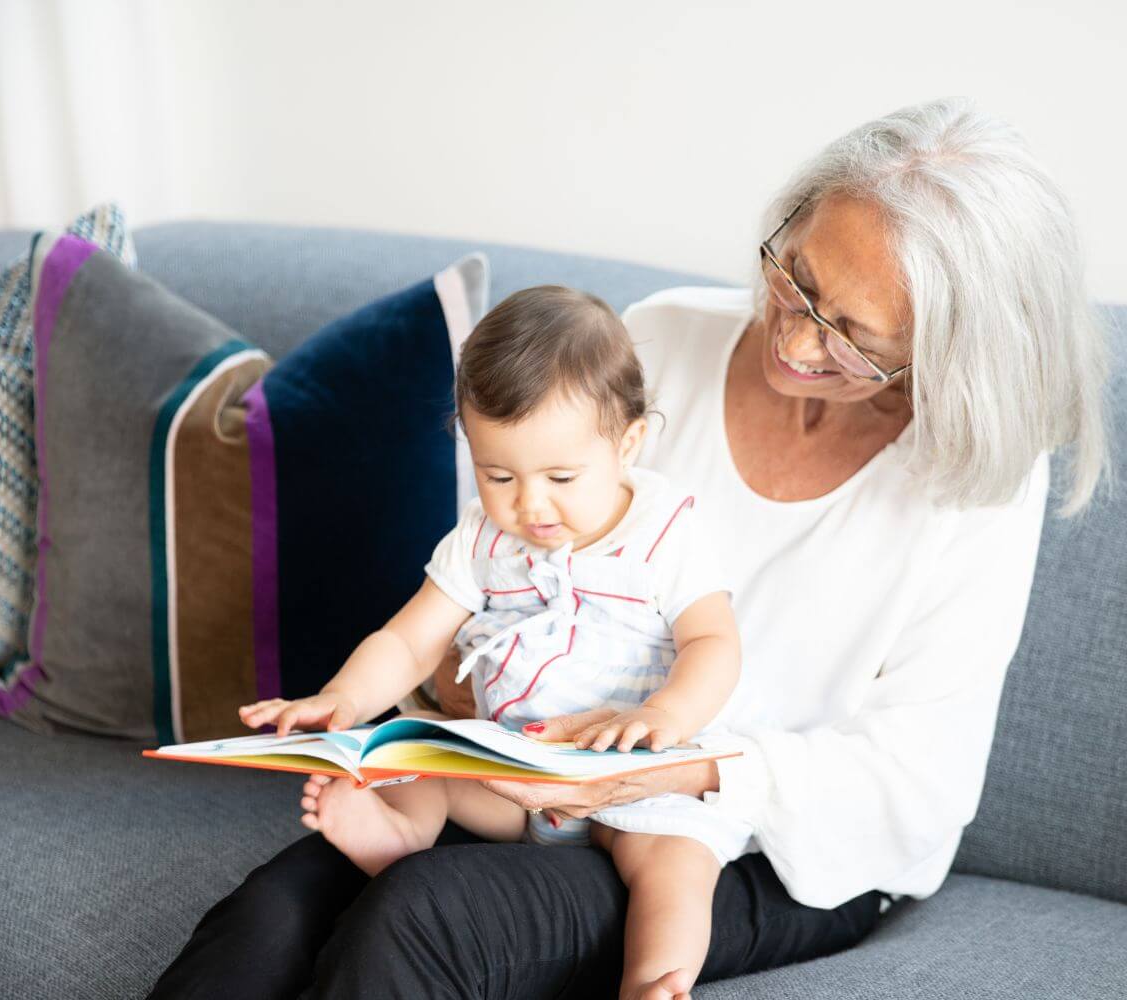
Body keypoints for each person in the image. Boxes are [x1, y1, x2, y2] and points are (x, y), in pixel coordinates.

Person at [151, 96, 1111, 999]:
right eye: (797, 278)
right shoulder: (659, 340)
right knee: (267, 923)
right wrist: (455, 684)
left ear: (947, 351)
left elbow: (916, 781)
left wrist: (673, 766)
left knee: (423, 918)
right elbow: (507, 551)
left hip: (756, 839)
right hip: (539, 770)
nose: (795, 339)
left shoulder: (977, 477)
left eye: (850, 335)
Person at [237, 285, 750, 1000]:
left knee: (675, 864)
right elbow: (412, 641)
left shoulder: (667, 532)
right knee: (416, 748)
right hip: (512, 779)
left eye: (561, 478)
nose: (530, 505)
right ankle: (398, 839)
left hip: (637, 780)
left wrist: (666, 718)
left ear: (628, 442)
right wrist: (341, 699)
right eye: (498, 474)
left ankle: (653, 982)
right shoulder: (482, 537)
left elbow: (713, 643)